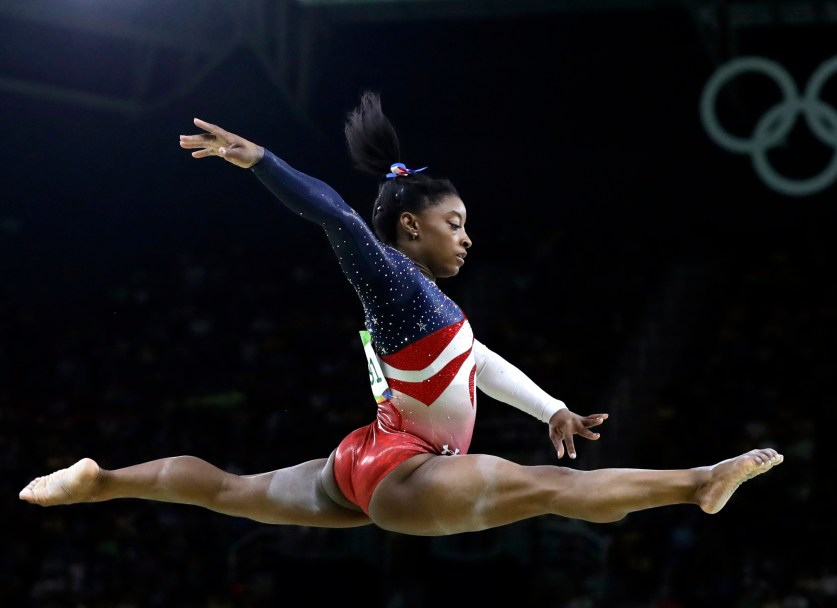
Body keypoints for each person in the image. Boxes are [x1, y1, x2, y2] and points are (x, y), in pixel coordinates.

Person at [19, 91, 783, 536]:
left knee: (230, 490)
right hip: (403, 470)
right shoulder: (391, 276)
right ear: (411, 227)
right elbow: (339, 220)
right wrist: (262, 163)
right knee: (552, 490)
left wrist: (551, 406)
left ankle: (103, 480)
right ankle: (697, 482)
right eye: (455, 223)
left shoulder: (423, 304)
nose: (467, 236)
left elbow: (474, 360)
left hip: (369, 458)